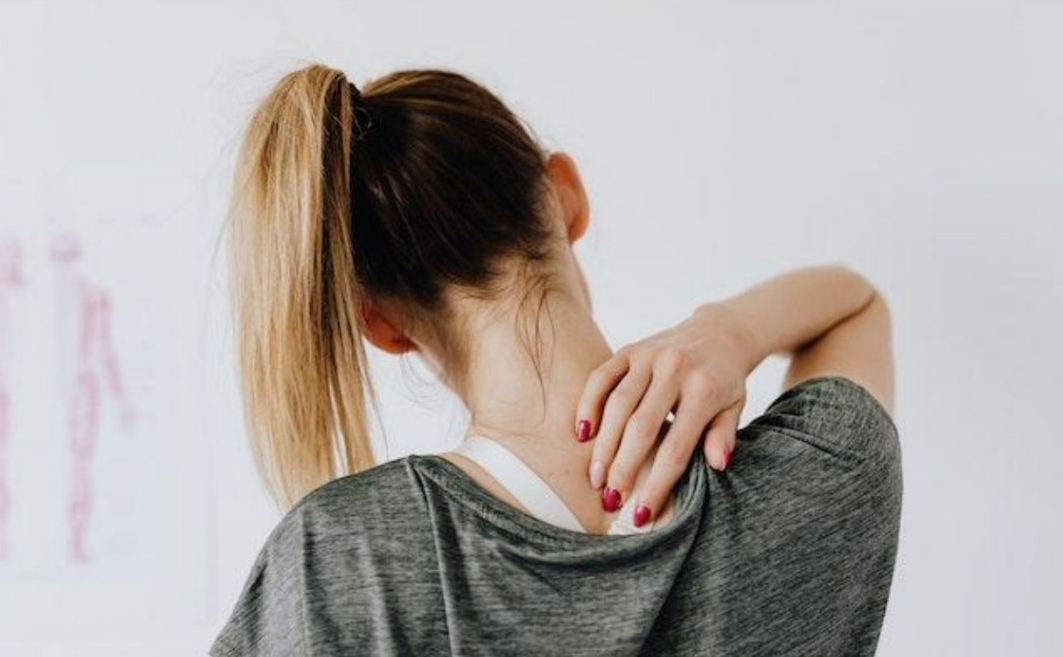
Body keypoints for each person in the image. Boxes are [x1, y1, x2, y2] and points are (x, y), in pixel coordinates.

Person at [210, 63, 902, 656]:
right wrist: (730, 330)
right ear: (565, 194)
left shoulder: (348, 556)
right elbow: (855, 301)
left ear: (380, 323)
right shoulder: (817, 479)